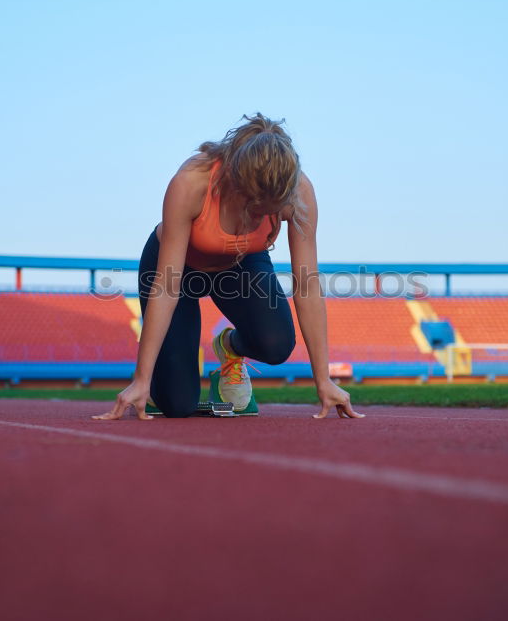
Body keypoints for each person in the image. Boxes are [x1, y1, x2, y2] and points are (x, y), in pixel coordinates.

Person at [93, 113, 364, 420]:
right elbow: (167, 286)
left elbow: (307, 285)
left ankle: (229, 346)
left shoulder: (298, 192)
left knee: (276, 345)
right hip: (178, 271)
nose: (261, 217)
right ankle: (158, 382)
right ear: (238, 184)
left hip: (239, 265)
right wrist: (141, 380)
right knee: (176, 405)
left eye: (271, 211)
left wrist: (323, 380)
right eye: (256, 208)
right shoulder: (191, 183)